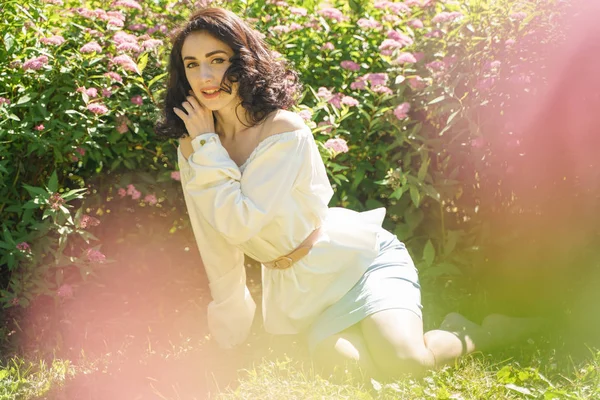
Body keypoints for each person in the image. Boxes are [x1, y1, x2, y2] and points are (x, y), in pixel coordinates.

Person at [154, 7, 542, 380]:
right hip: (301, 289)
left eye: (217, 59)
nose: (204, 76)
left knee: (406, 363)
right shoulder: (194, 149)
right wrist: (231, 323)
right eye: (191, 64)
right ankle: (369, 331)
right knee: (347, 371)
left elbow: (240, 223)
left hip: (359, 262)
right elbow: (214, 238)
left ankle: (480, 330)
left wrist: (206, 143)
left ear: (243, 62)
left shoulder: (282, 130)